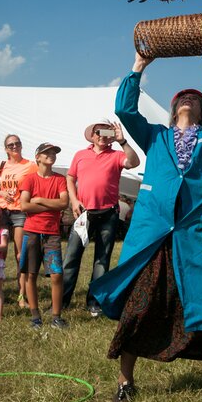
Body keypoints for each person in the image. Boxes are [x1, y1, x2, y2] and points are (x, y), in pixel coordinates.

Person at [90, 50, 202, 402]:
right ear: (173, 111)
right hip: (152, 233)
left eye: (196, 99)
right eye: (182, 98)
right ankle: (126, 383)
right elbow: (126, 110)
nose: (189, 98)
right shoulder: (155, 136)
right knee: (139, 306)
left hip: (192, 234)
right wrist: (139, 66)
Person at [62, 118, 140, 316]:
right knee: (71, 257)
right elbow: (70, 178)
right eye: (99, 132)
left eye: (107, 133)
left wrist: (123, 141)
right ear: (93, 135)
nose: (102, 136)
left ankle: (94, 302)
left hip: (108, 213)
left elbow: (134, 162)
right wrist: (73, 199)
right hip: (83, 213)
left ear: (111, 137)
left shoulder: (116, 155)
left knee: (102, 260)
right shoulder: (80, 155)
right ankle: (62, 300)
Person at [19, 142, 69, 329]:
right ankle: (35, 316)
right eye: (47, 152)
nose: (51, 155)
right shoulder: (29, 179)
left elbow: (63, 203)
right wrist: (52, 203)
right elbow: (24, 206)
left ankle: (56, 316)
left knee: (56, 275)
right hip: (31, 232)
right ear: (37, 157)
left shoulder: (60, 179)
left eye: (54, 152)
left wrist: (39, 200)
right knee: (31, 274)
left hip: (52, 233)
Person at [0, 134, 37, 308]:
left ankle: (21, 295)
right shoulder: (2, 166)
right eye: (10, 145)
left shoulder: (30, 166)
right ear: (6, 149)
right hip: (1, 212)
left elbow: (36, 186)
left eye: (17, 143)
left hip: (20, 212)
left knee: (20, 255)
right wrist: (2, 194)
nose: (14, 146)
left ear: (21, 145)